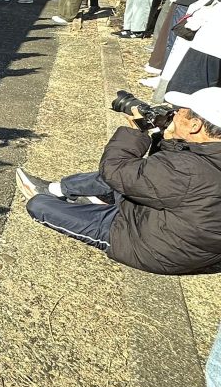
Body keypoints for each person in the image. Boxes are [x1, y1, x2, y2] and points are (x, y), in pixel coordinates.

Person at [15, 86, 221, 275]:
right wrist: (170, 139)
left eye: (181, 112)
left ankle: (59, 196)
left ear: (195, 125)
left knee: (39, 205)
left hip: (156, 247)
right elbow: (157, 176)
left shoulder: (188, 170)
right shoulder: (207, 158)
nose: (174, 114)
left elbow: (113, 169)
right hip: (185, 235)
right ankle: (58, 189)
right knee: (131, 176)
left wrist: (137, 132)